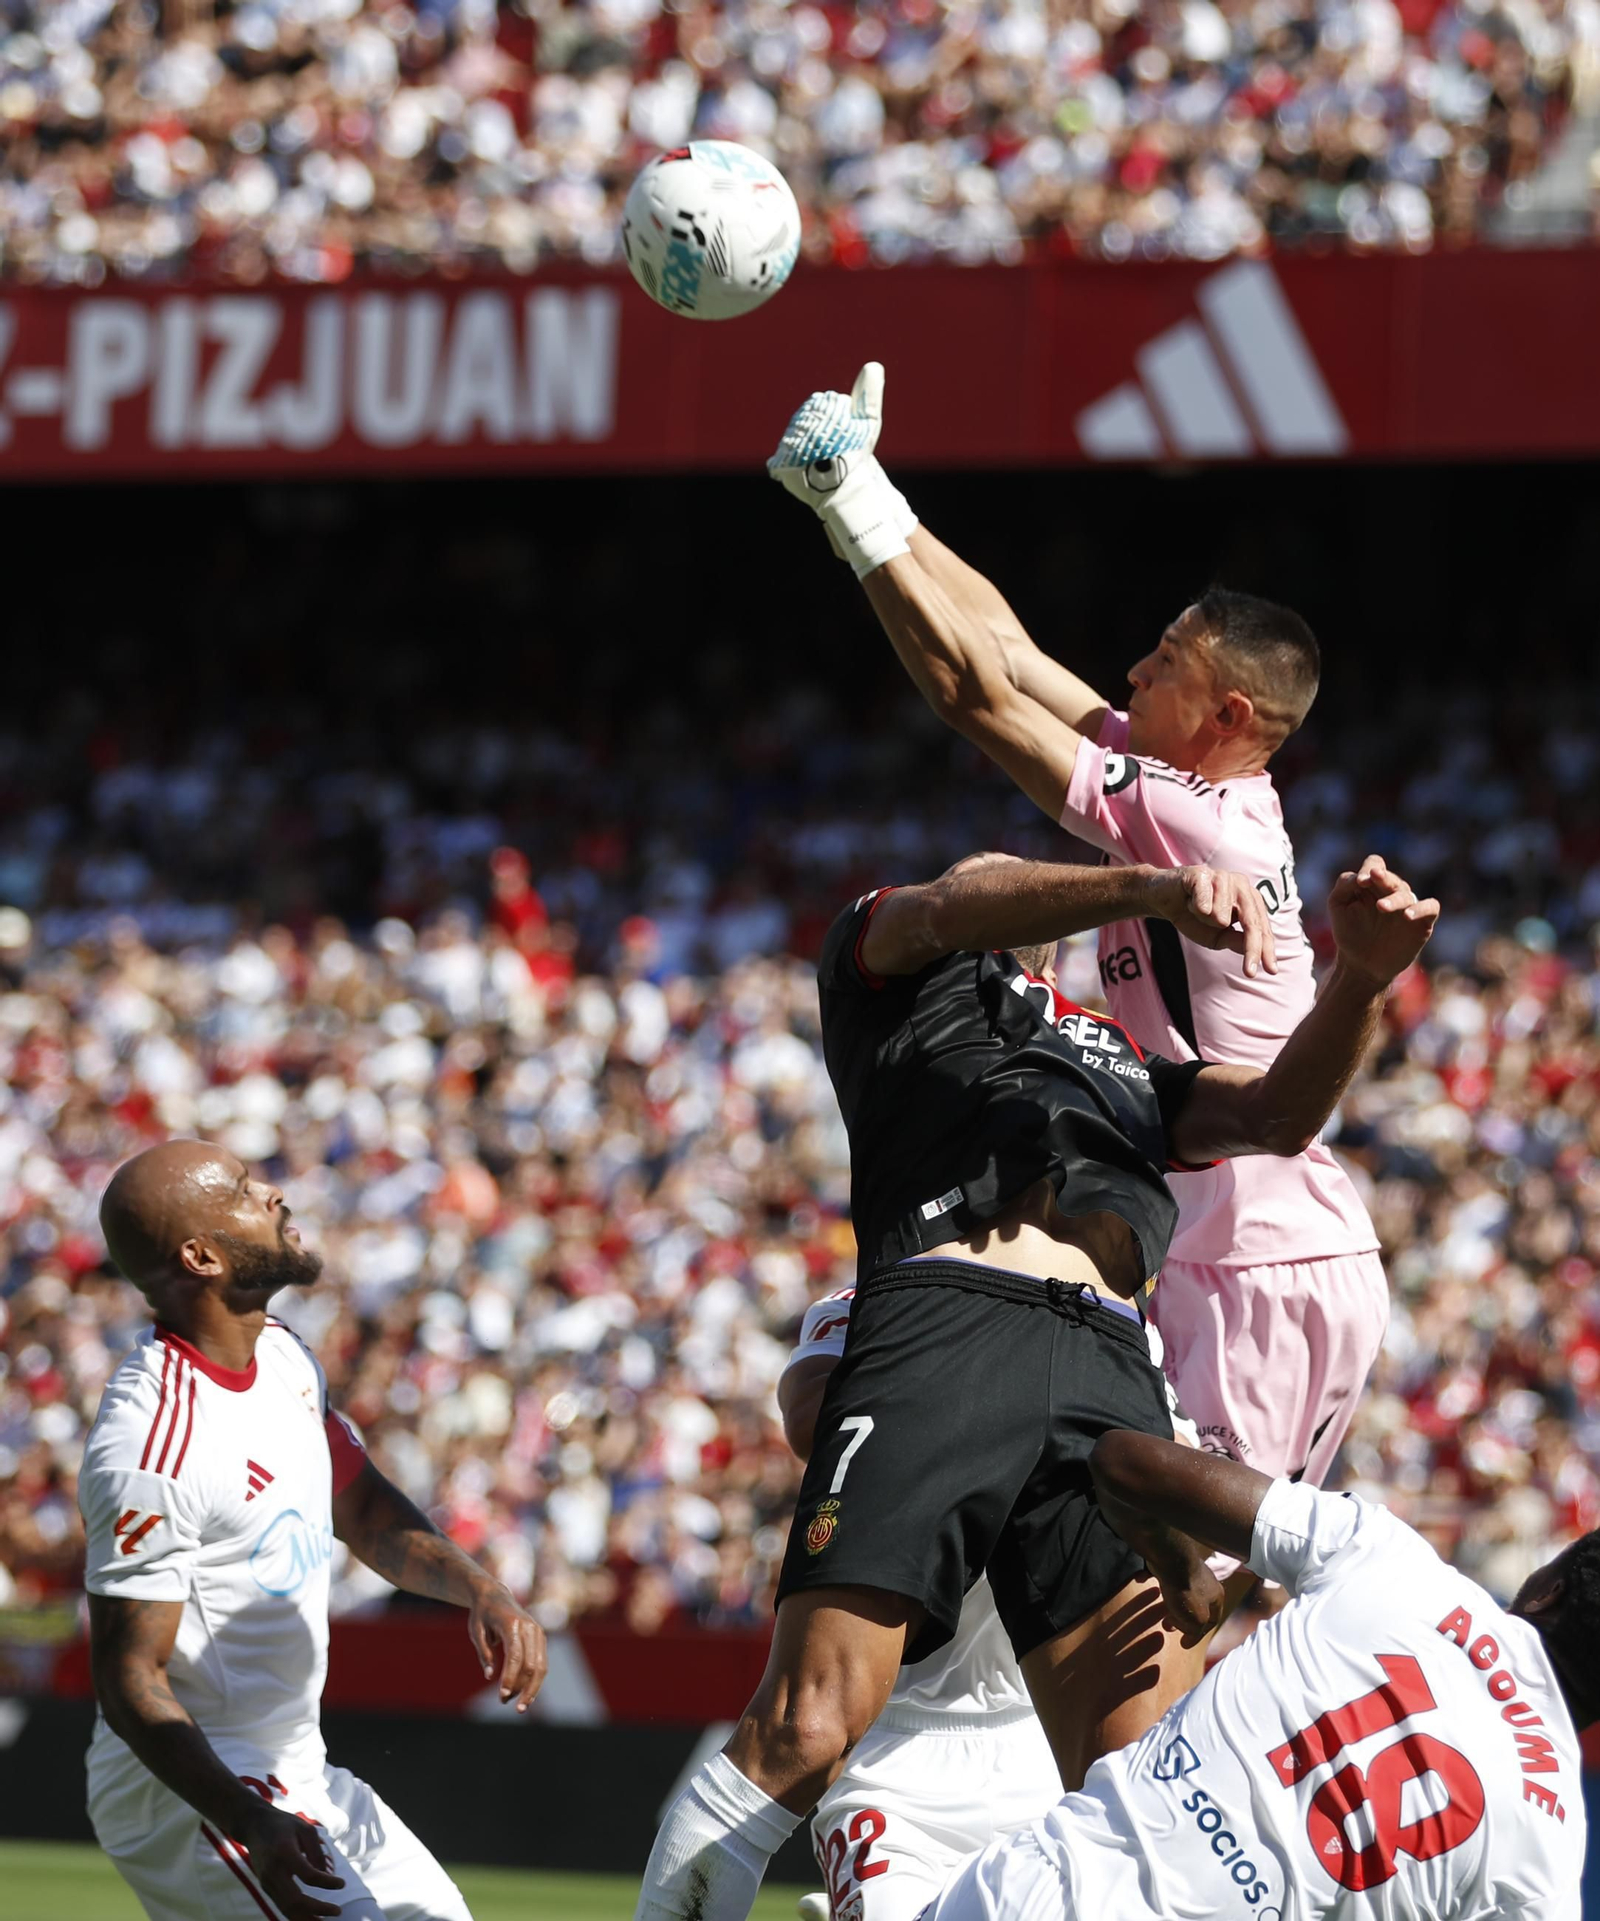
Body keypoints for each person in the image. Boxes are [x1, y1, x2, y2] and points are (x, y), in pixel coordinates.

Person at [635, 848, 1437, 1921]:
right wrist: (1149, 888)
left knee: (1160, 1787)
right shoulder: (891, 973)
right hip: (953, 1313)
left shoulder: (1120, 1064)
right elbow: (961, 901)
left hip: (1111, 1352)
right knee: (806, 1726)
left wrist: (1361, 978)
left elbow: (1280, 1117)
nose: (1006, 886)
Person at [768, 366, 1389, 1526]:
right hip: (1202, 1241)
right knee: (1110, 1554)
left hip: (1253, 1265)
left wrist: (847, 508)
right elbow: (1006, 647)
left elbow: (969, 694)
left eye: (1163, 663)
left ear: (1228, 719)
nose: (1133, 673)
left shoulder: (1194, 816)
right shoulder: (1181, 785)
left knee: (1189, 1579)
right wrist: (866, 489)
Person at [80, 1140, 548, 1921]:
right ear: (199, 1256)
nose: (270, 1191)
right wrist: (244, 1817)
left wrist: (480, 1587)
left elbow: (362, 1509)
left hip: (298, 1766)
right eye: (238, 1189)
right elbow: (130, 1679)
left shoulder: (284, 1356)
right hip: (194, 1789)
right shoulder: (149, 1445)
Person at [920, 1424, 1590, 1921]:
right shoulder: (1552, 1853)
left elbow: (1126, 1461)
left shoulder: (1389, 1557)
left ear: (1547, 1591)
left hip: (1032, 1891)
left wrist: (1186, 1575)